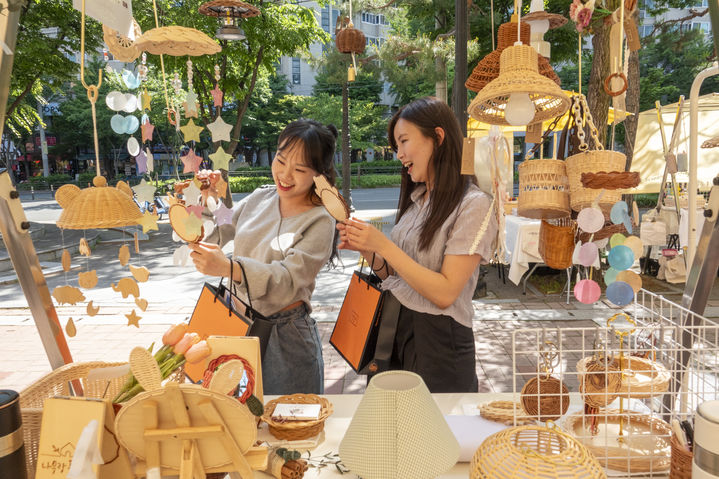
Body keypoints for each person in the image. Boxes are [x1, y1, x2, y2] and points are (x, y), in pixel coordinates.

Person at [337, 97, 497, 393]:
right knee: (393, 430)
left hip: (439, 344)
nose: (398, 154)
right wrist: (367, 249)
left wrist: (383, 246)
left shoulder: (474, 204)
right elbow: (396, 278)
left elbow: (446, 293)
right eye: (396, 145)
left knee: (436, 435)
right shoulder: (417, 201)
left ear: (437, 137)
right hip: (395, 332)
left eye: (403, 141)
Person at [189, 119, 339, 395]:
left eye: (299, 169)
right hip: (238, 324)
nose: (285, 174)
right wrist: (209, 199)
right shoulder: (261, 197)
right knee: (238, 420)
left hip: (286, 338)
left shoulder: (321, 220)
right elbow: (221, 230)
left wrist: (231, 268)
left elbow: (288, 279)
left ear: (319, 174)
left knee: (288, 423)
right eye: (280, 161)